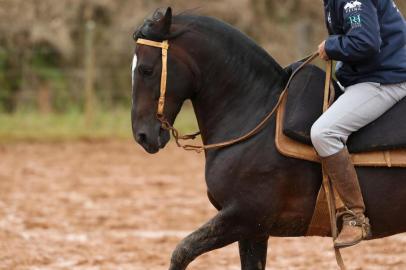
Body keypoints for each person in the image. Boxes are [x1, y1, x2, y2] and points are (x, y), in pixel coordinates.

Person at [312, 0, 406, 248]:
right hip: (368, 74)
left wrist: (331, 46)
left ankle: (355, 217)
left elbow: (365, 42)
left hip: (385, 80)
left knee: (324, 133)